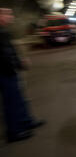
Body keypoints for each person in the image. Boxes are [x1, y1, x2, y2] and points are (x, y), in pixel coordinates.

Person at [0, 8, 45, 142]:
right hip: (4, 72)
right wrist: (18, 64)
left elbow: (9, 51)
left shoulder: (4, 31)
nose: (11, 17)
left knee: (19, 98)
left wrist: (19, 60)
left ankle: (26, 121)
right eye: (8, 14)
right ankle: (14, 132)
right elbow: (4, 56)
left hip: (10, 70)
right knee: (11, 102)